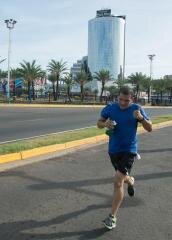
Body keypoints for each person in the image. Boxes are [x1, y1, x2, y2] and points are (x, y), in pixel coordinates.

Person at [97, 86, 152, 230]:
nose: (122, 103)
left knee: (117, 181)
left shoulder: (137, 108)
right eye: (120, 99)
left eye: (126, 101)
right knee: (122, 177)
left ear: (131, 99)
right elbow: (98, 123)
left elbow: (150, 128)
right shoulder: (110, 108)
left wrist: (140, 118)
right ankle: (130, 180)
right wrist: (105, 124)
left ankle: (112, 217)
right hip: (113, 150)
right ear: (117, 97)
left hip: (129, 150)